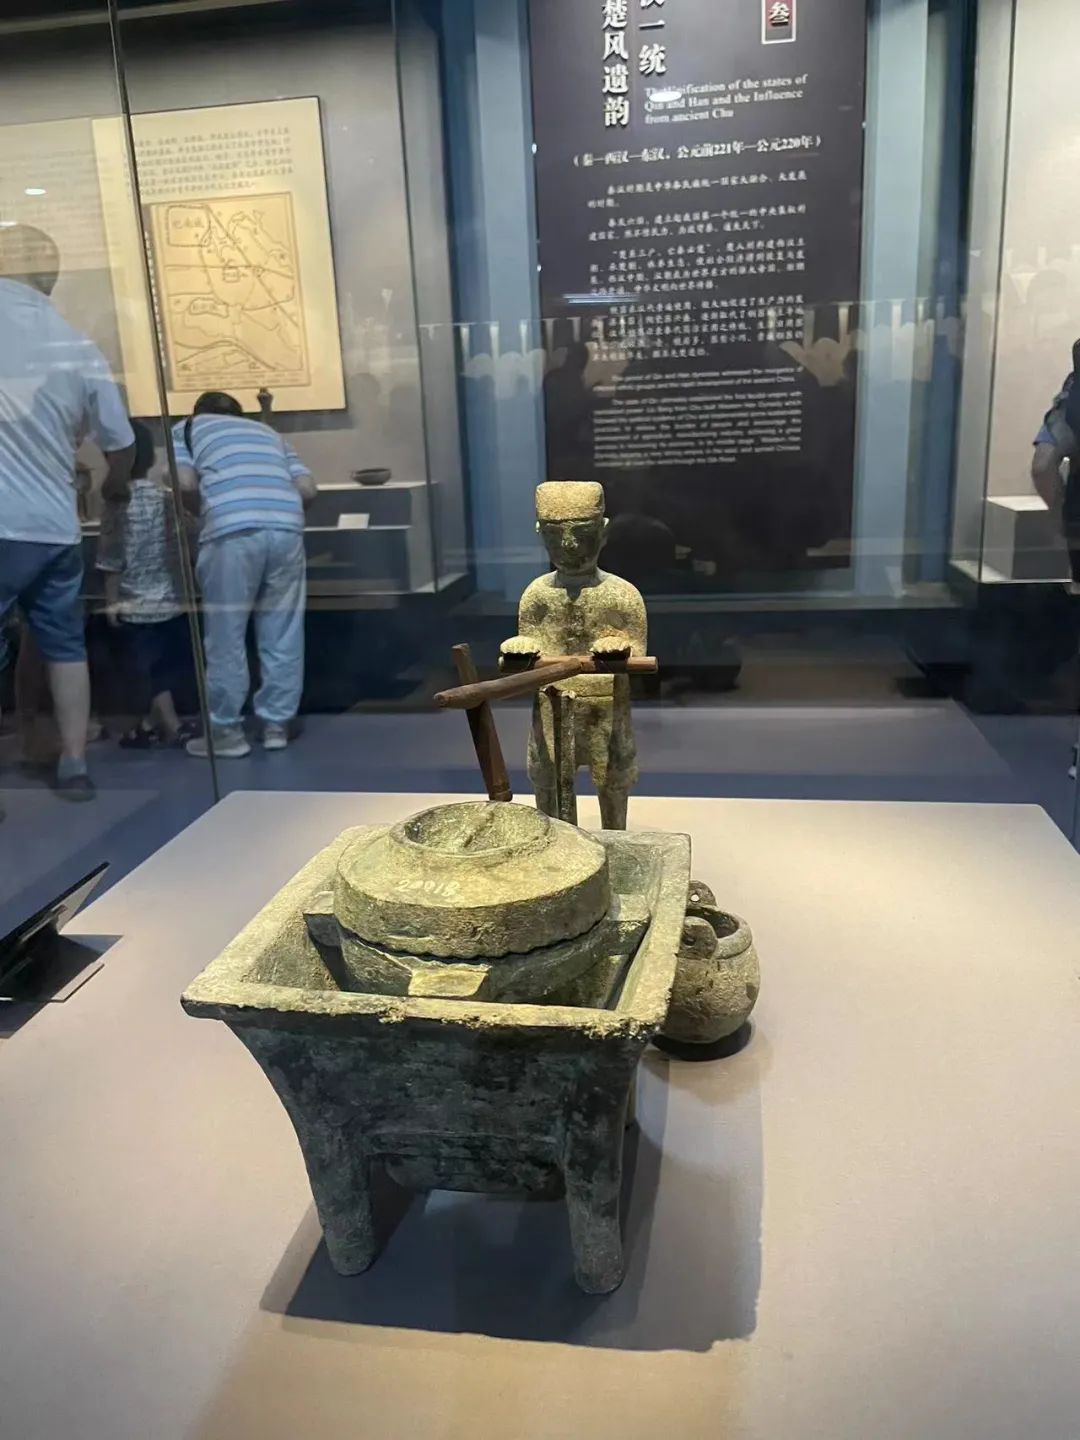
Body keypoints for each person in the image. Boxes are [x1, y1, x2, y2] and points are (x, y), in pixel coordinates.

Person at [0, 223, 135, 801]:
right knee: (64, 646)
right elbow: (121, 443)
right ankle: (74, 765)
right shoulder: (74, 344)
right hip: (55, 526)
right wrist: (115, 488)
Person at [173, 390, 316, 758]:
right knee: (283, 631)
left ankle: (226, 733)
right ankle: (276, 726)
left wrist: (203, 513)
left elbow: (185, 483)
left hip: (230, 532)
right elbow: (307, 488)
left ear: (199, 411)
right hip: (286, 530)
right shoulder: (270, 434)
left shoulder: (187, 428)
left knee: (226, 634)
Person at [98, 419, 196, 749]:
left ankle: (168, 726)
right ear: (152, 458)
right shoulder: (166, 499)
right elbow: (185, 543)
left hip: (135, 602)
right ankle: (150, 724)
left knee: (146, 671)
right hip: (171, 599)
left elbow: (111, 558)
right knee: (163, 668)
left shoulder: (116, 504)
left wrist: (111, 600)